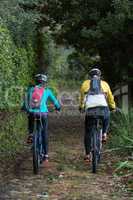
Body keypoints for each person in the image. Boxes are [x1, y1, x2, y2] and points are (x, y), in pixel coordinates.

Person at [22, 74, 61, 164]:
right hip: (43, 114)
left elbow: (25, 103)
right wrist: (58, 108)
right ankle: (46, 155)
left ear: (36, 81)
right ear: (44, 82)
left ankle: (31, 134)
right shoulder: (47, 91)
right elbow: (55, 102)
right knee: (44, 132)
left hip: (32, 112)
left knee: (30, 116)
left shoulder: (31, 90)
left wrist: (24, 108)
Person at [79, 67, 116, 162]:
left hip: (90, 110)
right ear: (100, 76)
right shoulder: (105, 84)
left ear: (89, 76)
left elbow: (83, 99)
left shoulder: (85, 84)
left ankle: (87, 154)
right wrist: (113, 107)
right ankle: (104, 133)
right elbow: (110, 98)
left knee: (88, 131)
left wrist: (81, 107)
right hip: (103, 109)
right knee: (107, 115)